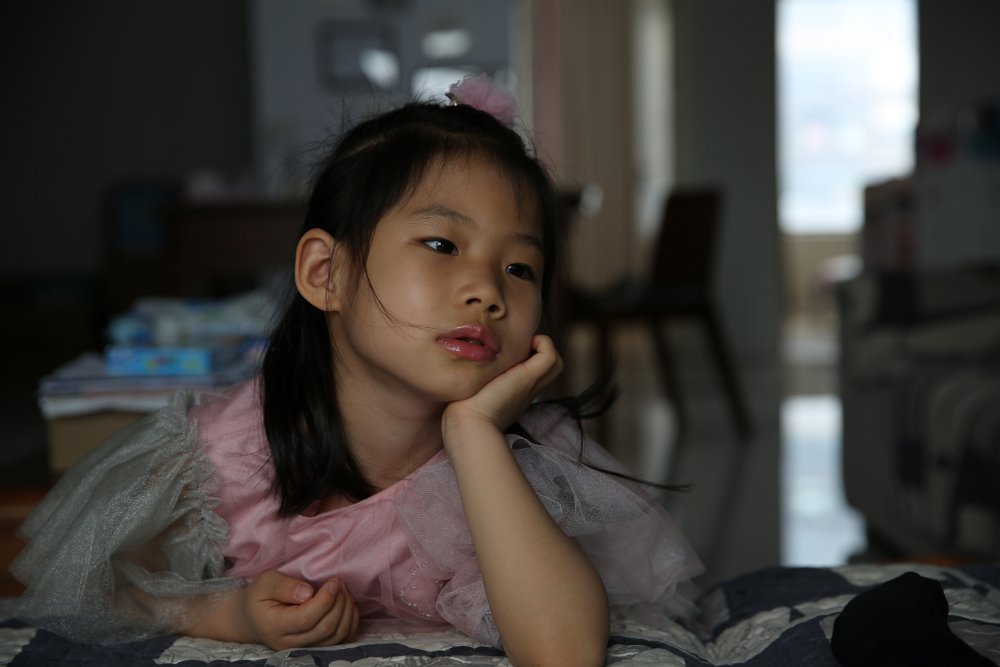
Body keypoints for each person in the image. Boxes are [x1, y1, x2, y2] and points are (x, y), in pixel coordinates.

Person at [11, 76, 701, 666]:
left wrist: (473, 434)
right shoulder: (224, 456)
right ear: (326, 273)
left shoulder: (524, 458)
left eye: (520, 267)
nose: (488, 290)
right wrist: (230, 615)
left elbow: (564, 653)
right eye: (442, 244)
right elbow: (99, 587)